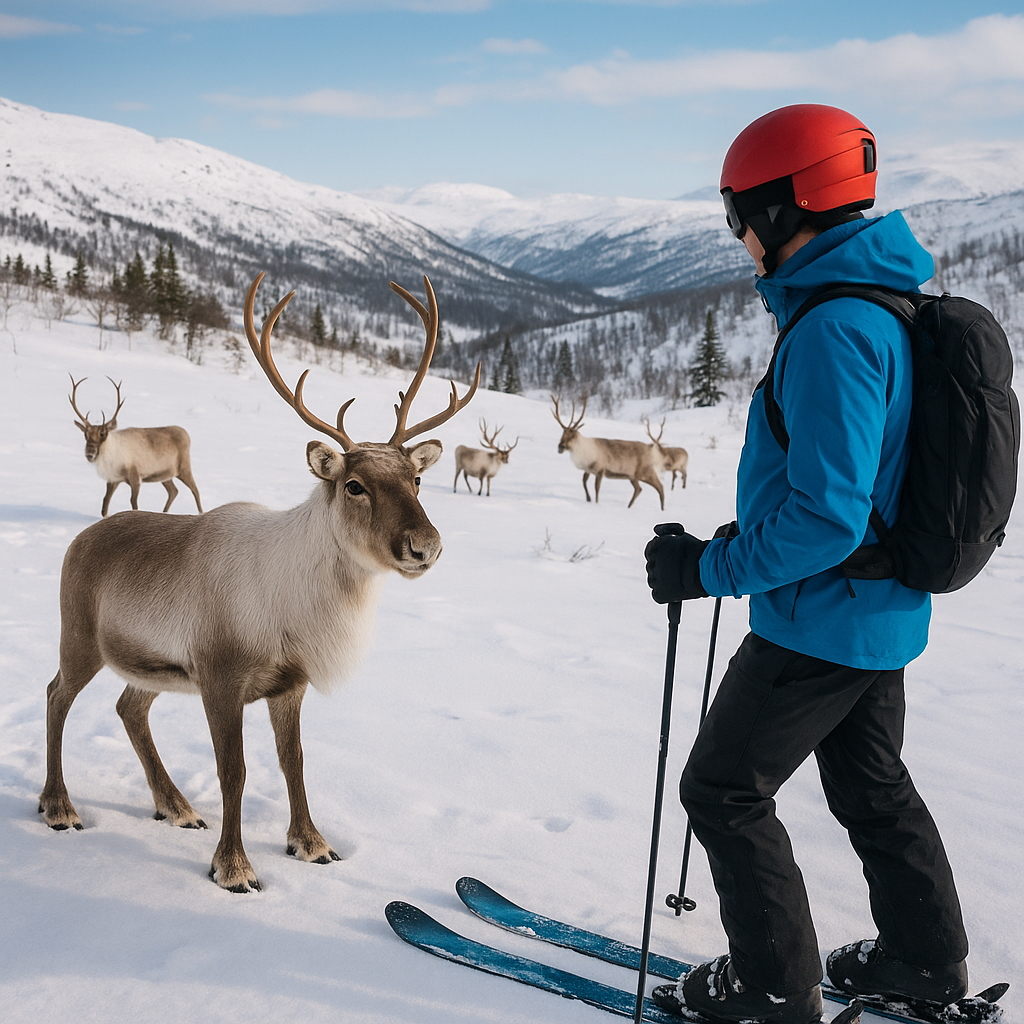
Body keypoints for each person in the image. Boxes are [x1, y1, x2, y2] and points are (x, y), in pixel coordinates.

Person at [643, 104, 970, 1024]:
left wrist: (708, 568)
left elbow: (826, 518)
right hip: (879, 610)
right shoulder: (884, 303)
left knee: (723, 789)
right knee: (872, 785)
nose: (740, 236)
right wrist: (732, 543)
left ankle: (770, 990)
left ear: (790, 206)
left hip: (820, 614)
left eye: (741, 211)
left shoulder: (834, 330)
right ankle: (922, 961)